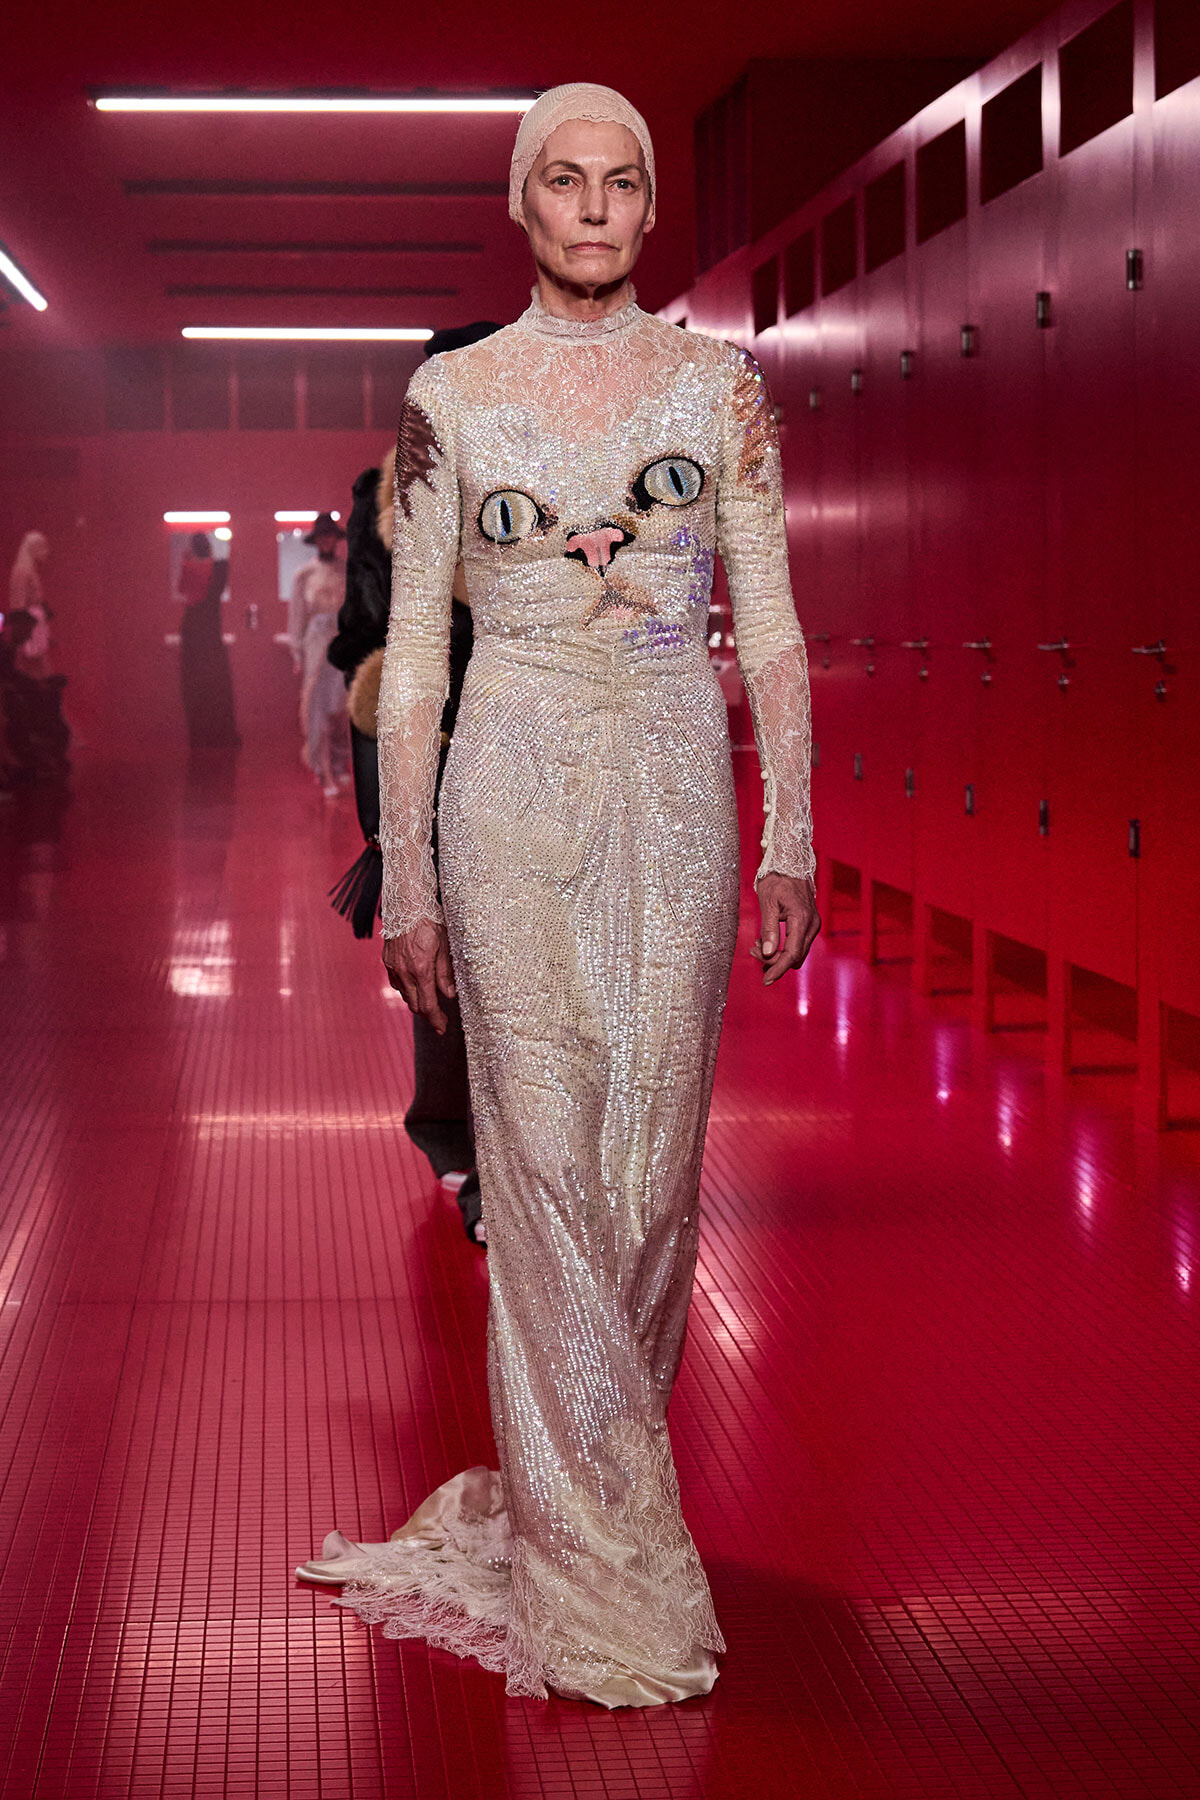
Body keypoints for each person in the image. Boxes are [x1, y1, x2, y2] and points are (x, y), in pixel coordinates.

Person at [298, 84, 820, 1708]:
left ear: (647, 209)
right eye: (564, 183)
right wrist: (412, 887)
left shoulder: (716, 387)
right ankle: (609, 1571)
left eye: (621, 185)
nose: (593, 209)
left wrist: (791, 831)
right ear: (524, 206)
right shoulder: (455, 401)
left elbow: (777, 632)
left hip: (672, 788)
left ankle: (582, 1494)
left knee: (649, 1167)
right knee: (532, 1157)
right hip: (507, 788)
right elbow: (424, 661)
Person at [328, 322, 502, 1246]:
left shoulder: (549, 478)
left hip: (540, 738)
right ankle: (470, 1155)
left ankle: (510, 1160)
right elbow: (365, 639)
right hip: (428, 741)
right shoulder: (385, 494)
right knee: (451, 963)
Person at [288, 513, 348, 796]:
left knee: (340, 705)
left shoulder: (347, 571)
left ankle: (338, 763)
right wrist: (297, 653)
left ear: (336, 539)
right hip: (316, 641)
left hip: (342, 639)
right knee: (317, 707)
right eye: (321, 536)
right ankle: (322, 769)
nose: (326, 541)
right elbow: (296, 615)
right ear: (316, 541)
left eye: (330, 535)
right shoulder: (304, 574)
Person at [177, 534, 239, 750]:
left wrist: (187, 562)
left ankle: (199, 737)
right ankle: (221, 735)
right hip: (211, 630)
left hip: (192, 630)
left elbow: (183, 590)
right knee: (218, 683)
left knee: (194, 685)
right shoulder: (219, 567)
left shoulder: (188, 566)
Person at [8, 532, 52, 677]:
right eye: (42, 547)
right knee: (31, 671)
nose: (46, 551)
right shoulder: (21, 572)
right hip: (28, 629)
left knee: (40, 671)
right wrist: (24, 634)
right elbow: (18, 605)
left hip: (35, 626)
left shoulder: (30, 571)